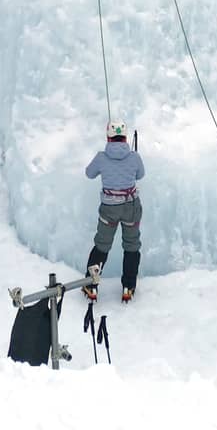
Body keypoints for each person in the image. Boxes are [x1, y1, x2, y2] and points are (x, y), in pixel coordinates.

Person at [81, 119, 145, 302]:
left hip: (109, 208)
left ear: (108, 137)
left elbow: (89, 173)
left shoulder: (101, 157)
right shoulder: (134, 157)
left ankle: (91, 285)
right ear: (125, 137)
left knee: (102, 245)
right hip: (131, 206)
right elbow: (140, 175)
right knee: (131, 245)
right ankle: (128, 287)